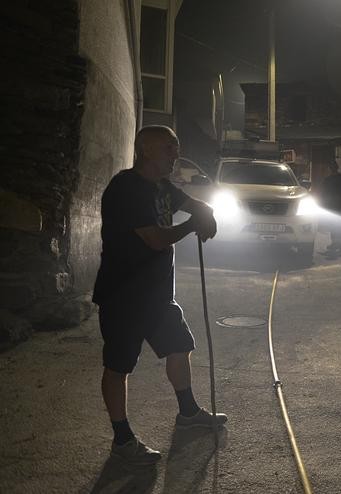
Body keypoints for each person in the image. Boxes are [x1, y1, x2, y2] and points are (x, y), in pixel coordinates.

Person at [92, 125, 227, 465]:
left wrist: (204, 211)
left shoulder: (162, 186)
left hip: (157, 295)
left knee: (180, 346)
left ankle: (188, 412)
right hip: (123, 295)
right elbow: (154, 238)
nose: (175, 155)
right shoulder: (127, 188)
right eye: (170, 148)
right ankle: (122, 440)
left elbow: (191, 202)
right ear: (147, 150)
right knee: (119, 366)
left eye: (176, 147)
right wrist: (192, 225)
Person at [319, 161, 341, 256]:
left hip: (331, 206)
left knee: (333, 226)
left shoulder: (327, 180)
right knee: (340, 226)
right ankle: (340, 246)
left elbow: (323, 194)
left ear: (330, 169)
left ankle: (335, 244)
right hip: (340, 205)